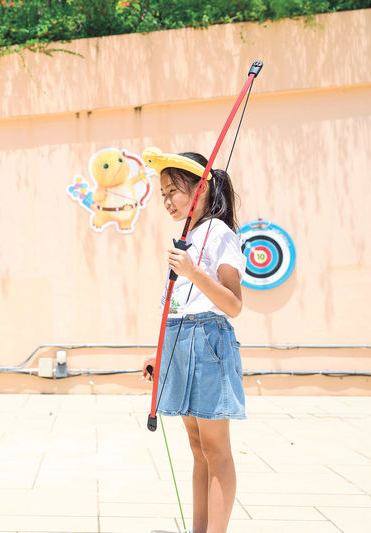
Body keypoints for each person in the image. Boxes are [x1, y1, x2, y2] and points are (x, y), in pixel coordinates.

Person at [142, 151, 247, 533]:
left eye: (174, 191)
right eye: (163, 193)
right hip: (178, 338)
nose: (167, 200)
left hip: (207, 339)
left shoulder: (220, 233)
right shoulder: (187, 235)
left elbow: (233, 304)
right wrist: (159, 353)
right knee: (197, 449)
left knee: (216, 450)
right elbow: (178, 299)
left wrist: (192, 270)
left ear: (200, 188)